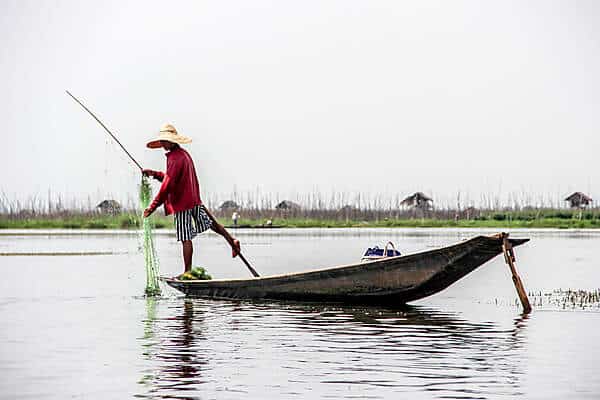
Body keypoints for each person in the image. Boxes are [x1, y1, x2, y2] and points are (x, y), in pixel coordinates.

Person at [142, 123, 240, 274]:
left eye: (164, 141)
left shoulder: (174, 159)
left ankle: (187, 272)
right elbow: (172, 179)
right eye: (161, 141)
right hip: (193, 199)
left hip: (182, 204)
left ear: (172, 141)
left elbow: (167, 186)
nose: (162, 144)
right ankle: (232, 241)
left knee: (185, 237)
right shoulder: (183, 154)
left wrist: (152, 207)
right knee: (212, 223)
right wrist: (154, 174)